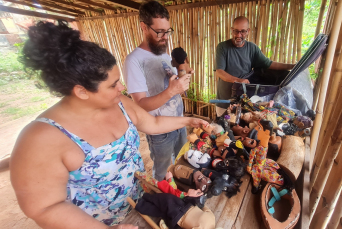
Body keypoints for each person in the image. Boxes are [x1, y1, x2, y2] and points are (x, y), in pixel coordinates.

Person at [10, 21, 208, 229]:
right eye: (113, 85)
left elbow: (154, 123)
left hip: (144, 206)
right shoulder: (41, 138)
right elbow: (44, 207)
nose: (121, 88)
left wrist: (189, 120)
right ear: (81, 91)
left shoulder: (119, 103)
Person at [123, 1, 192, 181]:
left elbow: (171, 83)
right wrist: (171, 91)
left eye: (167, 31)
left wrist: (183, 74)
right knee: (163, 172)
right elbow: (140, 105)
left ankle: (181, 195)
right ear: (144, 27)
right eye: (159, 32)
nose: (165, 37)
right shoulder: (134, 61)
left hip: (179, 122)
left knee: (183, 162)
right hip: (159, 132)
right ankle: (164, 201)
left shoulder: (163, 54)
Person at [215, 16, 296, 117]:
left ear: (248, 31)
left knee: (241, 130)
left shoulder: (252, 48)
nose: (239, 35)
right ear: (232, 30)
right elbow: (219, 72)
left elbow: (269, 64)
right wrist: (238, 80)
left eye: (243, 31)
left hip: (244, 103)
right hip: (224, 101)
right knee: (223, 128)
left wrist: (292, 66)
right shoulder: (223, 47)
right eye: (236, 31)